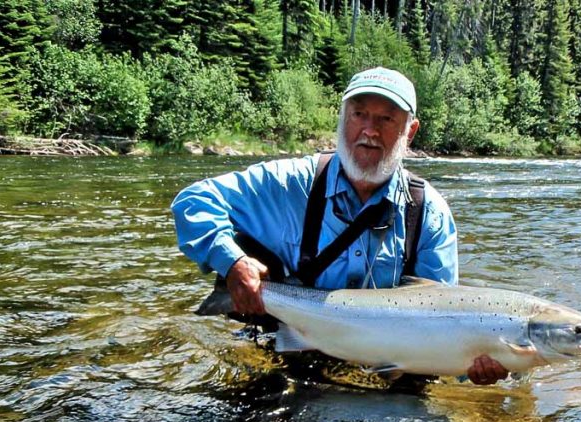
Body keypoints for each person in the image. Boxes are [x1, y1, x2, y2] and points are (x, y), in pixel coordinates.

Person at [171, 67, 508, 385]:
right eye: (359, 114)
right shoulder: (289, 183)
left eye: (386, 119)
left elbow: (443, 322)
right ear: (342, 116)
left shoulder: (428, 214)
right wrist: (232, 261)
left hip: (383, 365)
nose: (369, 131)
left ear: (410, 131)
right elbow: (193, 201)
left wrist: (473, 364)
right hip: (291, 349)